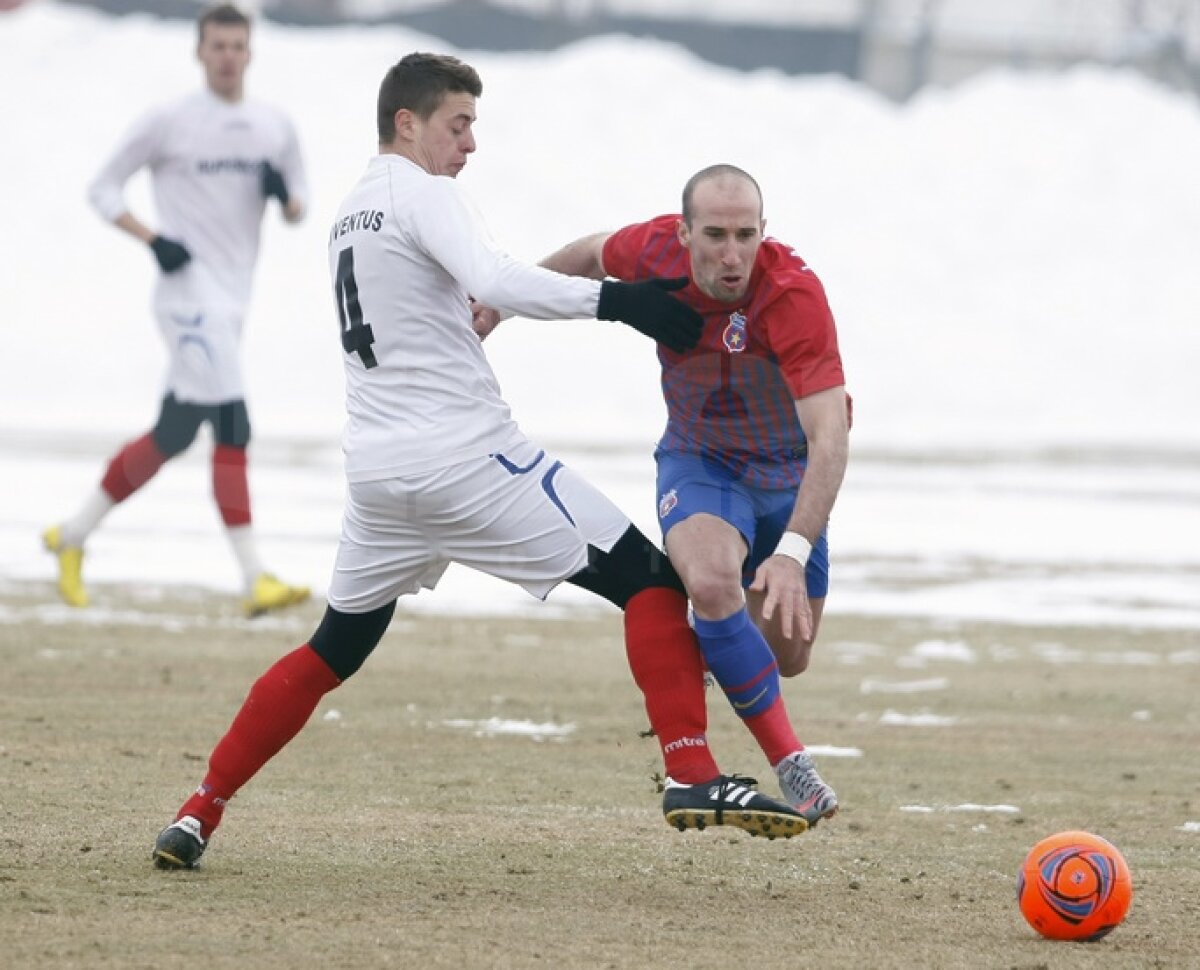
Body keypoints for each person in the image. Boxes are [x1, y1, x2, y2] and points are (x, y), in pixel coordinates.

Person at [150, 53, 823, 871]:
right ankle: (693, 772)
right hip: (465, 456)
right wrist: (620, 302)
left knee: (334, 649)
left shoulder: (351, 210)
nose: (469, 145)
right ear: (408, 123)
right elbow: (494, 276)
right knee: (650, 580)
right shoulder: (422, 191)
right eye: (458, 124)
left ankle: (199, 810)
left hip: (377, 473)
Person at [514, 164, 849, 818]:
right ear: (683, 231)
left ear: (764, 233)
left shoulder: (793, 295)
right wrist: (498, 304)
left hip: (788, 477)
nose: (733, 255)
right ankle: (791, 764)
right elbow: (587, 254)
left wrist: (793, 549)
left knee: (789, 657)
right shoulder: (652, 251)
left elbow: (830, 436)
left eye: (746, 235)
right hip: (703, 464)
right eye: (716, 235)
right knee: (713, 584)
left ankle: (705, 642)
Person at [43, 2, 311, 618]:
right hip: (186, 298)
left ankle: (72, 536)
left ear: (250, 52)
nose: (226, 57)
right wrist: (152, 238)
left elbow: (301, 202)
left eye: (236, 46)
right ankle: (255, 579)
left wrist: (283, 198)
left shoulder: (274, 125)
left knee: (174, 433)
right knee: (235, 424)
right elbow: (102, 188)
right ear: (199, 51)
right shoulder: (169, 120)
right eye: (216, 46)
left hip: (232, 302)